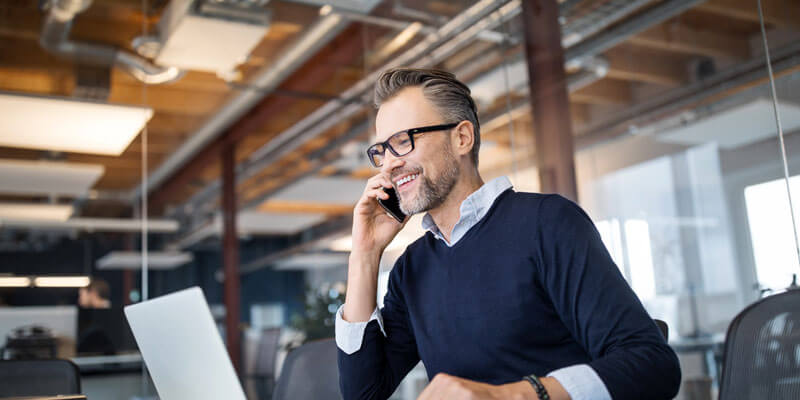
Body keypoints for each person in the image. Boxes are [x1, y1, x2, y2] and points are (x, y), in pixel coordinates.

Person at [335, 68, 681, 400]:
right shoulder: (412, 268)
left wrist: (511, 395)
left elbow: (652, 365)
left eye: (403, 141)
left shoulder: (547, 223)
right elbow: (364, 392)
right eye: (381, 151)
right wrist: (364, 254)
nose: (389, 164)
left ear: (462, 137)